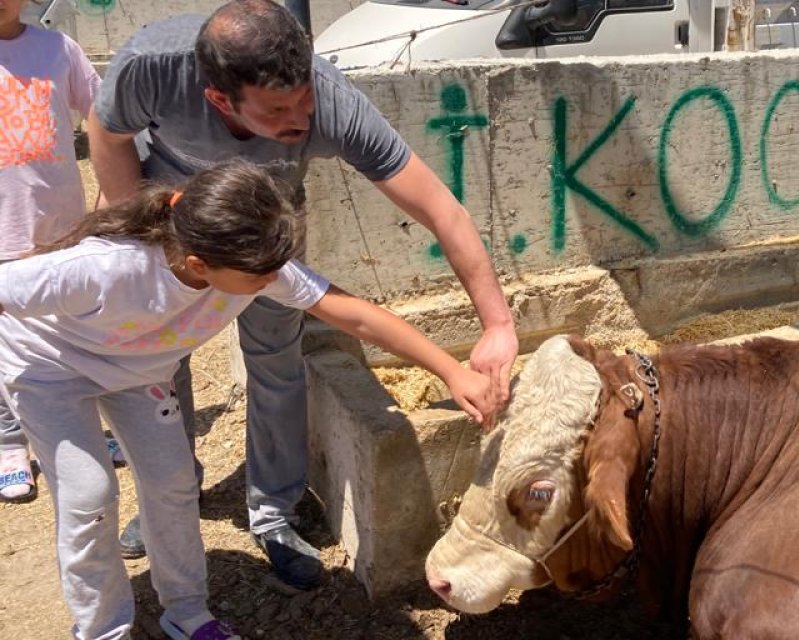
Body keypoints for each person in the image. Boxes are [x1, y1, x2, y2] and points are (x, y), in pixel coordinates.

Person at [87, 0, 518, 588]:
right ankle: (172, 489)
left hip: (266, 226)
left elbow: (440, 210)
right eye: (278, 110)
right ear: (219, 99)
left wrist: (496, 326)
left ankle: (274, 512)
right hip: (171, 215)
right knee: (163, 361)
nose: (300, 119)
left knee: (277, 359)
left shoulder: (330, 104)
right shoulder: (151, 68)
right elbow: (106, 134)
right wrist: (138, 236)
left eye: (305, 98)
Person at [0, 159, 502, 640]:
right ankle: (101, 630)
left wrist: (451, 370)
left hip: (138, 373)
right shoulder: (106, 268)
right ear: (199, 264)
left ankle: (187, 612)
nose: (274, 283)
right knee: (89, 497)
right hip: (49, 368)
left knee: (173, 485)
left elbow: (356, 315)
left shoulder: (259, 265)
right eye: (261, 277)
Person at [0, 0, 102, 502]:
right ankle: (8, 443)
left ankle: (83, 425)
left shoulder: (58, 48)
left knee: (69, 329)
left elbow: (102, 114)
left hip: (59, 227)